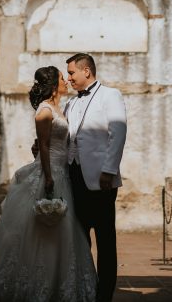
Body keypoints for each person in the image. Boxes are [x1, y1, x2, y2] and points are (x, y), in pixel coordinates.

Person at [0, 66, 97, 302]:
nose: (66, 80)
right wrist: (48, 175)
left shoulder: (60, 108)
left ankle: (58, 282)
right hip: (51, 173)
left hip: (62, 171)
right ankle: (37, 285)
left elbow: (47, 143)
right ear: (54, 84)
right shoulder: (45, 110)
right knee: (44, 230)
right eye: (61, 78)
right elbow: (43, 145)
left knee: (62, 229)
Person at [64, 53, 127, 302]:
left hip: (101, 177)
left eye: (71, 73)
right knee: (78, 238)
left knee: (104, 238)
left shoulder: (110, 95)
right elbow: (70, 139)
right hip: (73, 176)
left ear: (86, 71)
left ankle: (104, 294)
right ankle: (84, 286)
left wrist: (109, 170)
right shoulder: (70, 103)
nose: (68, 79)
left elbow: (118, 132)